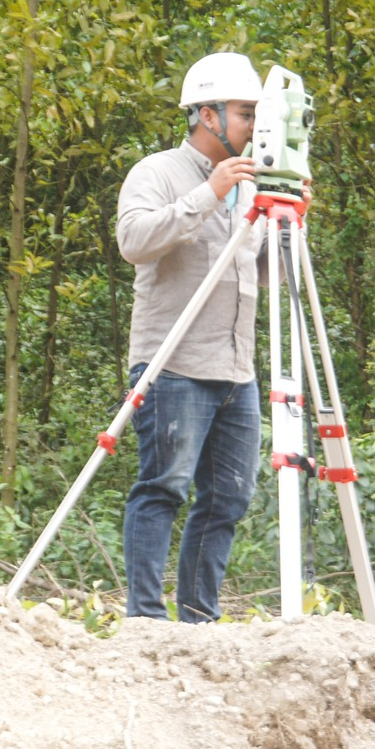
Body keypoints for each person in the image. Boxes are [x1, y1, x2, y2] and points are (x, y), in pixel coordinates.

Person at [114, 52, 267, 622]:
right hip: (173, 365)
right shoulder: (156, 173)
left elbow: (254, 271)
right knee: (164, 487)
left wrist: (288, 221)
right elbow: (134, 240)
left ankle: (198, 622)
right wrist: (210, 196)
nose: (253, 126)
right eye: (244, 113)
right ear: (207, 115)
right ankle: (146, 620)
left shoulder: (254, 186)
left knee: (229, 497)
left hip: (237, 370)